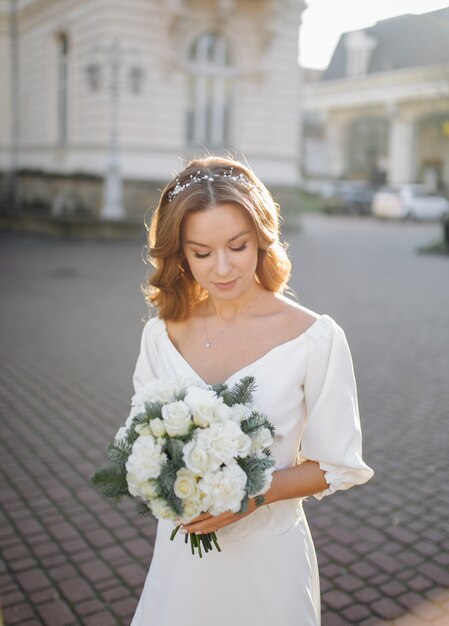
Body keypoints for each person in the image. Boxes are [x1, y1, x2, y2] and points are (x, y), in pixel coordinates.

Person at [129, 155, 373, 626]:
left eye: (237, 246)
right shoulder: (161, 334)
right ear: (179, 254)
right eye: (201, 253)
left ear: (262, 238)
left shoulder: (314, 339)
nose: (221, 268)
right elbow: (143, 438)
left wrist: (248, 496)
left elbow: (336, 465)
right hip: (181, 559)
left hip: (268, 563)